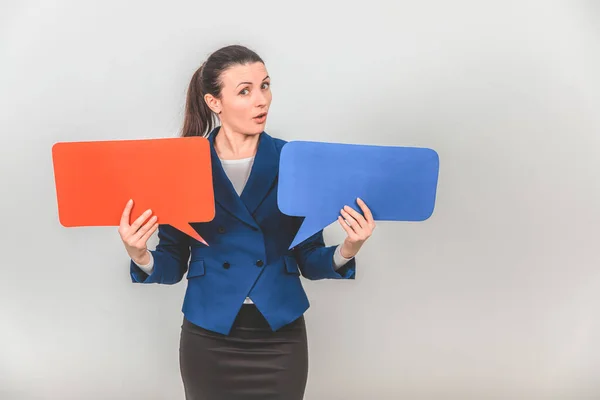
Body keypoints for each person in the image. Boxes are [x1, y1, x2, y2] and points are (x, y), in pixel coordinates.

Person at [118, 44, 375, 400]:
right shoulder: (182, 166)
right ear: (214, 102)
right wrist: (139, 253)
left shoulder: (293, 160)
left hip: (280, 333)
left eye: (265, 85)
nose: (262, 100)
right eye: (245, 91)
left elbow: (310, 259)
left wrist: (348, 248)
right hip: (209, 333)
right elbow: (172, 263)